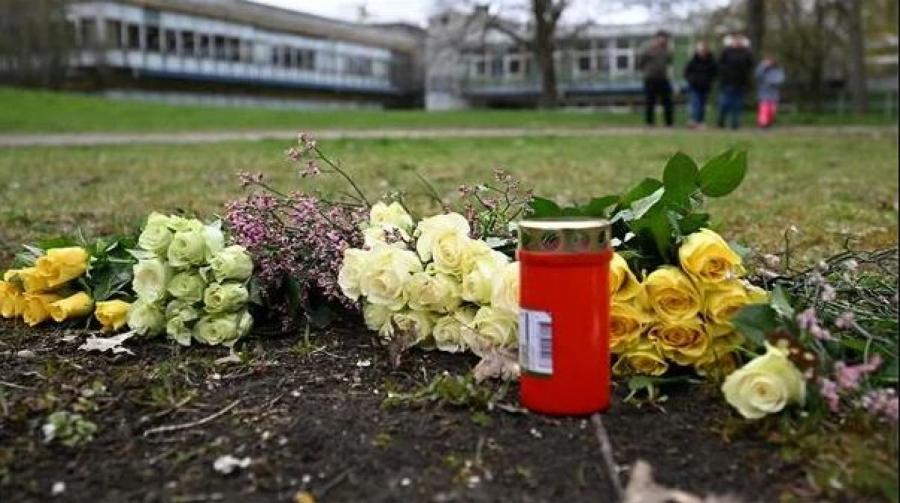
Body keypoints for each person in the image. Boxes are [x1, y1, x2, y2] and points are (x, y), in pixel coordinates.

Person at [716, 33, 754, 129]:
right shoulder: (726, 52)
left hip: (741, 83)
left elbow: (750, 64)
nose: (738, 42)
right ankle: (721, 120)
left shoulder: (746, 53)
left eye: (740, 40)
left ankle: (735, 124)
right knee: (725, 103)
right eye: (736, 40)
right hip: (728, 82)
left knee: (738, 105)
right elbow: (720, 65)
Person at [638, 30, 674, 127]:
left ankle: (669, 122)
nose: (663, 41)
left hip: (663, 77)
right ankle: (649, 122)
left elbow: (669, 61)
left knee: (667, 100)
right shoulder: (647, 48)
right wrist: (646, 71)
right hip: (651, 77)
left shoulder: (667, 50)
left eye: (665, 39)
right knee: (650, 101)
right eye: (662, 38)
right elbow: (641, 61)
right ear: (656, 38)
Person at [683, 41, 717, 129]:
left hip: (705, 86)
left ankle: (700, 121)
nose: (701, 52)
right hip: (694, 85)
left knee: (702, 104)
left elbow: (715, 73)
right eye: (700, 50)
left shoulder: (711, 61)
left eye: (703, 50)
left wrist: (710, 80)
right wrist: (691, 79)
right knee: (695, 102)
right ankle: (694, 120)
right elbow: (686, 72)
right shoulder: (693, 61)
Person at [755, 55, 785, 128]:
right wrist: (763, 66)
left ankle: (769, 122)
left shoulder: (778, 70)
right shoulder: (761, 70)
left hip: (774, 93)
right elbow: (757, 75)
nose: (769, 63)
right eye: (767, 61)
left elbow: (780, 79)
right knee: (764, 109)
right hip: (764, 93)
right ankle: (763, 123)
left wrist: (773, 82)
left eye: (771, 61)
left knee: (772, 110)